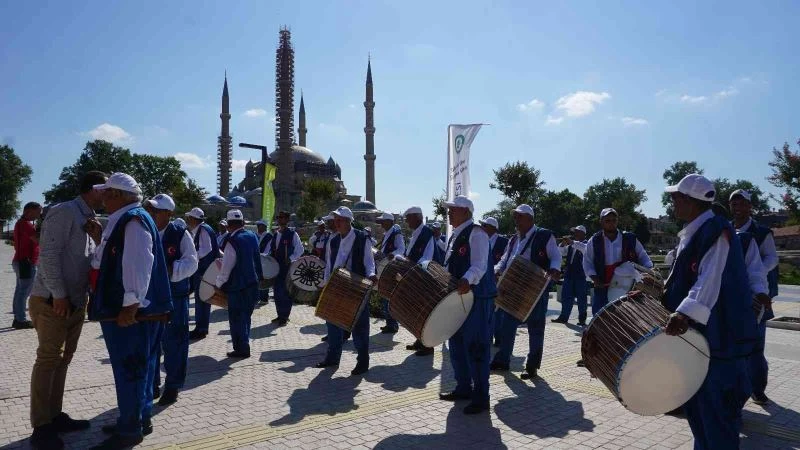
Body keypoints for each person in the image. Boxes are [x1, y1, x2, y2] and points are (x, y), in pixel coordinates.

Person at [662, 174, 758, 450]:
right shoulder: (695, 231)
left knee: (717, 420)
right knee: (700, 417)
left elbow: (709, 280)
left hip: (719, 344)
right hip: (702, 343)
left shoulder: (716, 230)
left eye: (676, 197)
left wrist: (683, 314)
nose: (673, 202)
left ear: (691, 201)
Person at [87, 173, 172, 449]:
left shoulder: (133, 220)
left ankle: (130, 429)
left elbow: (138, 264)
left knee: (130, 371)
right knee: (141, 369)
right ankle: (137, 418)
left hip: (131, 315)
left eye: (106, 193)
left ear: (118, 196)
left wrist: (130, 305)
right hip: (133, 313)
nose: (102, 197)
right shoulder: (126, 219)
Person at [27, 171, 106, 449]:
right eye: (105, 189)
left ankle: (54, 414)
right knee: (48, 360)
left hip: (74, 301)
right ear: (93, 189)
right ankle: (41, 426)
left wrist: (98, 239)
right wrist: (59, 295)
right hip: (52, 301)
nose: (108, 195)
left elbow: (88, 259)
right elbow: (48, 256)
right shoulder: (64, 212)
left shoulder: (89, 219)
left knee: (63, 360)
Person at [438, 196, 497, 415]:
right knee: (457, 346)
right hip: (459, 299)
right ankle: (463, 387)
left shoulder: (477, 233)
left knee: (477, 348)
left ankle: (482, 397)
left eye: (453, 209)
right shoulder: (455, 235)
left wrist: (466, 280)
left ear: (465, 211)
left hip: (477, 299)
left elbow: (479, 266)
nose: (449, 213)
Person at [490, 204, 561, 380]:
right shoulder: (513, 239)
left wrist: (554, 269)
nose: (516, 220)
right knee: (507, 325)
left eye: (520, 217)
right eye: (515, 217)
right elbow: (505, 259)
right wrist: (496, 269)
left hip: (535, 287)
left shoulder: (544, 235)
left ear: (530, 219)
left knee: (536, 327)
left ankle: (532, 366)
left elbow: (556, 256)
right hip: (513, 287)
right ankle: (502, 360)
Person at [143, 194, 198, 406]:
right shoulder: (144, 231)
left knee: (175, 342)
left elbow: (192, 263)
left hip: (175, 296)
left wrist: (170, 270)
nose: (152, 214)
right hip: (150, 297)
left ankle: (173, 386)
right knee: (151, 344)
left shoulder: (180, 234)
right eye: (150, 210)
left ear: (168, 214)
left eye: (156, 211)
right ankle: (152, 384)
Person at [730, 189, 778, 405]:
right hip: (733, 297)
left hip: (757, 296)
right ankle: (736, 389)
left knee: (756, 346)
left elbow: (772, 258)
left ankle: (757, 389)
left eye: (742, 204)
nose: (738, 208)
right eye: (734, 204)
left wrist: (756, 275)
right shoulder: (726, 230)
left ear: (750, 207)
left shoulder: (761, 232)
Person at [315, 206, 376, 375]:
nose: (336, 222)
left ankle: (362, 361)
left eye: (340, 220)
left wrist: (371, 275)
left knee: (359, 326)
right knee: (332, 325)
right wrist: (325, 286)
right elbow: (329, 265)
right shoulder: (333, 240)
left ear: (349, 221)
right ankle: (332, 358)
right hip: (335, 287)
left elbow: (369, 262)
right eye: (335, 220)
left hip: (356, 288)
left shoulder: (362, 238)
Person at [582, 208, 653, 314]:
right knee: (599, 316)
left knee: (625, 318)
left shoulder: (630, 238)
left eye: (614, 220)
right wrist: (595, 279)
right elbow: (587, 262)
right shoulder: (594, 240)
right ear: (601, 221)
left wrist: (649, 272)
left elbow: (643, 257)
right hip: (602, 285)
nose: (611, 223)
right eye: (607, 221)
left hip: (627, 286)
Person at [213, 209, 263, 358]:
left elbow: (226, 267)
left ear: (228, 225)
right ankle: (244, 344)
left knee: (236, 318)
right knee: (246, 317)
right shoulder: (252, 236)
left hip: (237, 287)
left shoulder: (232, 241)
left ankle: (241, 348)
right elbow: (257, 258)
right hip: (252, 284)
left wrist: (218, 284)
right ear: (242, 223)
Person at [398, 206, 438, 355]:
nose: (407, 221)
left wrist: (411, 265)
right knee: (418, 313)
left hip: (425, 279)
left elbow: (427, 258)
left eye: (409, 218)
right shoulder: (417, 233)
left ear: (417, 217)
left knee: (426, 312)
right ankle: (420, 340)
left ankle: (428, 345)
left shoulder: (426, 233)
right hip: (417, 277)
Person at [185, 207, 218, 340]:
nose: (188, 220)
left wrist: (193, 257)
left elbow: (207, 249)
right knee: (202, 299)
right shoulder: (202, 229)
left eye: (189, 218)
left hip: (204, 270)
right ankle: (201, 327)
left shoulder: (203, 229)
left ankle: (201, 328)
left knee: (202, 299)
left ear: (194, 219)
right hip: (205, 269)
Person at [268, 211, 303, 325]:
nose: (279, 219)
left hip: (287, 267)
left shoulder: (293, 234)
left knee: (286, 293)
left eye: (282, 217)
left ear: (287, 220)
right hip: (275, 268)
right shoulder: (275, 234)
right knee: (277, 292)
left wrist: (291, 258)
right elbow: (271, 250)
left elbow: (300, 250)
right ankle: (279, 315)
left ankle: (285, 316)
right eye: (278, 217)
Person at [12, 201, 42, 329]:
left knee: (20, 291)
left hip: (21, 261)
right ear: (29, 211)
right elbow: (38, 240)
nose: (39, 215)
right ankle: (20, 319)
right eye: (38, 212)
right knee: (23, 292)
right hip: (26, 262)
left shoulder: (21, 223)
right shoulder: (26, 224)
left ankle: (18, 318)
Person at [479, 217, 508, 345]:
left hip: (498, 280)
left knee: (498, 311)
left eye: (484, 225)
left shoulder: (504, 242)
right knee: (487, 311)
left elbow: (507, 260)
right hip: (484, 281)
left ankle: (500, 338)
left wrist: (500, 273)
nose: (482, 228)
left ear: (492, 228)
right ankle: (488, 337)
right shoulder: (481, 240)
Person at [553, 225, 589, 326]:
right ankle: (564, 317)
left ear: (582, 233)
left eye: (577, 232)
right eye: (574, 232)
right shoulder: (571, 245)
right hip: (569, 274)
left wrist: (571, 242)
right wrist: (562, 244)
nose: (574, 234)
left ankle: (582, 319)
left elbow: (583, 249)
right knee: (566, 296)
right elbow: (560, 252)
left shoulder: (587, 245)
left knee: (581, 298)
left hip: (581, 276)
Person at [376, 212, 406, 333]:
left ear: (389, 222)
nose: (381, 223)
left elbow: (401, 249)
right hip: (385, 268)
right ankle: (390, 323)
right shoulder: (387, 234)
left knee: (388, 295)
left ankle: (393, 324)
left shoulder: (396, 234)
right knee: (385, 295)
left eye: (383, 221)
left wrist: (393, 254)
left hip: (391, 268)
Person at [255, 219, 273, 305]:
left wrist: (262, 256)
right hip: (256, 260)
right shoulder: (255, 235)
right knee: (257, 279)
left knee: (264, 279)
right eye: (258, 225)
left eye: (260, 225)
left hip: (265, 261)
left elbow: (268, 249)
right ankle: (257, 297)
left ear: (265, 227)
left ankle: (264, 298)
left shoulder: (269, 236)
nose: (258, 227)